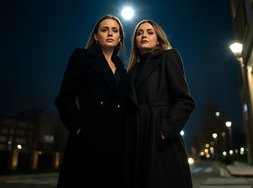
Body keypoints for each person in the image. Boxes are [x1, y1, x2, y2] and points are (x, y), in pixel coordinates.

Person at [55, 15, 127, 188]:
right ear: (96, 36)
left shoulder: (123, 70)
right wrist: (80, 128)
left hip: (116, 144)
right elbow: (64, 99)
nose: (110, 33)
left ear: (119, 39)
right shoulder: (82, 57)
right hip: (87, 141)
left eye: (115, 30)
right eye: (104, 29)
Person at [124, 20, 195, 188]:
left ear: (158, 38)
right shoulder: (132, 71)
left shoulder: (168, 57)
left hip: (159, 138)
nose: (143, 36)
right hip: (137, 139)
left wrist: (165, 131)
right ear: (134, 40)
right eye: (139, 33)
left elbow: (185, 101)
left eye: (149, 32)